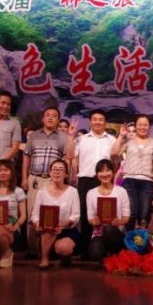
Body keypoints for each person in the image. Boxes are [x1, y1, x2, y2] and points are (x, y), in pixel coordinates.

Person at [21, 107, 73, 257]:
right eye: (47, 115)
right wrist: (24, 178)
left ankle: (47, 250)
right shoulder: (33, 136)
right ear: (42, 119)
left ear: (58, 120)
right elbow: (26, 157)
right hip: (34, 178)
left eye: (54, 116)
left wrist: (62, 180)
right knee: (32, 214)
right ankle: (33, 249)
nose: (50, 118)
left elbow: (67, 158)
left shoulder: (63, 137)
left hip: (52, 180)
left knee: (50, 215)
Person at [73, 109, 116, 257]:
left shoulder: (112, 140)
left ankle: (103, 247)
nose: (97, 122)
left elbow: (116, 160)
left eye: (101, 119)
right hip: (85, 180)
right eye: (95, 119)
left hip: (104, 180)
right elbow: (72, 157)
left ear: (105, 122)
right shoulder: (81, 139)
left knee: (105, 214)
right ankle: (85, 249)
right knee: (85, 214)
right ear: (90, 122)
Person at [31, 160, 81, 269]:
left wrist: (62, 225)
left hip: (66, 230)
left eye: (61, 170)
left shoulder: (73, 191)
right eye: (54, 169)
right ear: (50, 173)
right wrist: (37, 223)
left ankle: (63, 256)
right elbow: (35, 214)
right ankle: (44, 259)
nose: (57, 172)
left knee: (64, 248)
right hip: (47, 231)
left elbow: (75, 215)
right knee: (48, 228)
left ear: (66, 174)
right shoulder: (41, 192)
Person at [111, 115, 153, 230]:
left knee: (144, 215)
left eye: (145, 125)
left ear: (149, 127)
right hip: (129, 180)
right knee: (131, 213)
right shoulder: (128, 142)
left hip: (148, 181)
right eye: (140, 124)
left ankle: (142, 239)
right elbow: (114, 156)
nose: (143, 127)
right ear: (136, 126)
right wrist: (121, 136)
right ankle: (129, 238)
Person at [86, 159, 130, 261]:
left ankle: (117, 253)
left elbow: (126, 217)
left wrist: (119, 222)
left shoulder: (121, 191)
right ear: (97, 174)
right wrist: (93, 221)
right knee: (95, 253)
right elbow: (90, 218)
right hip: (99, 233)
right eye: (101, 171)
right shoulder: (91, 193)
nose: (105, 174)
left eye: (108, 170)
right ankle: (107, 254)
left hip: (117, 231)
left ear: (113, 172)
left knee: (109, 229)